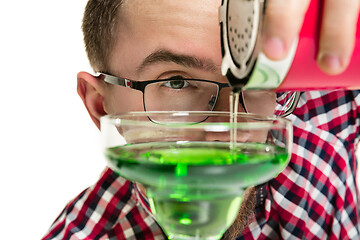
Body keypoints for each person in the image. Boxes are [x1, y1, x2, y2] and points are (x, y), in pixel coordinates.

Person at [42, 0, 360, 239]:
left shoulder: (319, 98)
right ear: (101, 105)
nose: (226, 135)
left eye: (255, 79)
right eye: (177, 81)